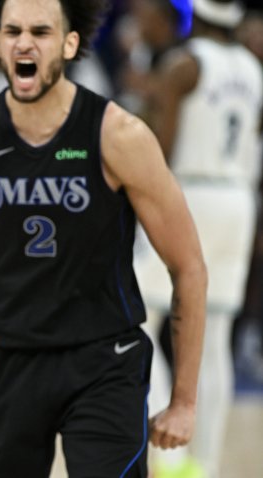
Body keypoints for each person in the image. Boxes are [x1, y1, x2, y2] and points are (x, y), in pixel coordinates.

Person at [0, 0, 207, 476]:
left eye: (42, 32)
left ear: (70, 44)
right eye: (13, 31)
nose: (24, 42)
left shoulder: (120, 136)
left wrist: (185, 401)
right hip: (3, 358)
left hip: (103, 360)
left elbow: (188, 264)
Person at [133, 0, 263, 476]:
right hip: (238, 197)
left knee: (139, 319)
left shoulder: (183, 64)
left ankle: (170, 445)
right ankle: (202, 466)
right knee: (214, 341)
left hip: (188, 193)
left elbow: (157, 145)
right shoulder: (254, 68)